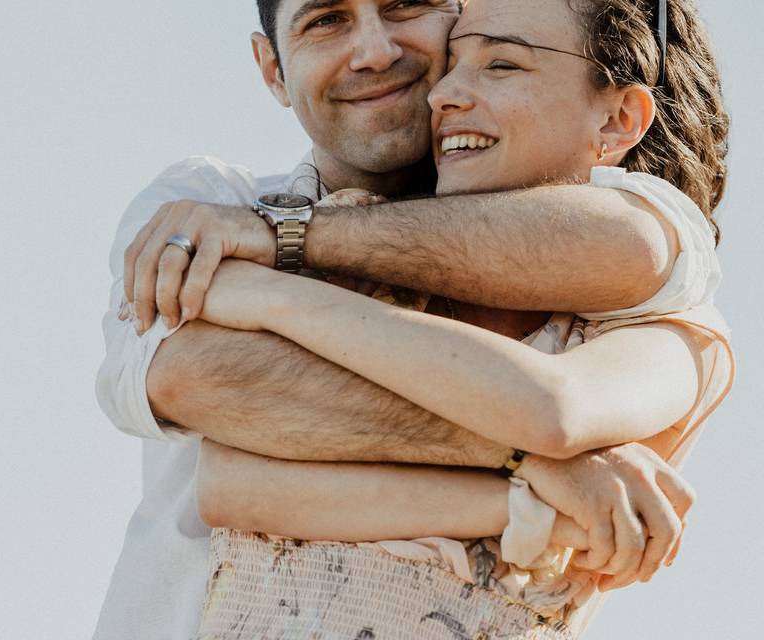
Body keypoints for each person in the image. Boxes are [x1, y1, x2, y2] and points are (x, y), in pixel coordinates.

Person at [93, 0, 728, 638]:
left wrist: (274, 260)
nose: (375, 51)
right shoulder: (210, 206)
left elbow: (634, 247)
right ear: (273, 70)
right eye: (326, 20)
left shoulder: (641, 305)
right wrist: (530, 462)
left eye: (405, 5)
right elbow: (200, 389)